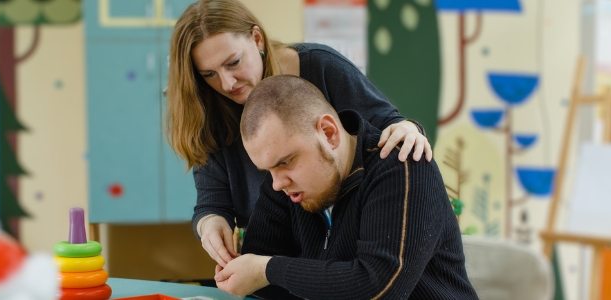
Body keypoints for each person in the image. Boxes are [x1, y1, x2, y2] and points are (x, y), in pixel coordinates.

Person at [167, 0, 435, 268]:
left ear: (257, 39)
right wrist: (211, 224)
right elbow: (211, 203)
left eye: (234, 62)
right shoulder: (208, 110)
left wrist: (408, 129)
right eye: (209, 74)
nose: (226, 83)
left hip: (350, 250)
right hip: (277, 254)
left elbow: (389, 127)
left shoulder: (320, 66)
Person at [213, 75, 476, 299]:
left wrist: (266, 270)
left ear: (328, 133)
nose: (278, 182)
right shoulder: (283, 185)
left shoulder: (402, 165)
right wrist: (245, 273)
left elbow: (378, 288)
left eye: (286, 161)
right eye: (268, 170)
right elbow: (262, 285)